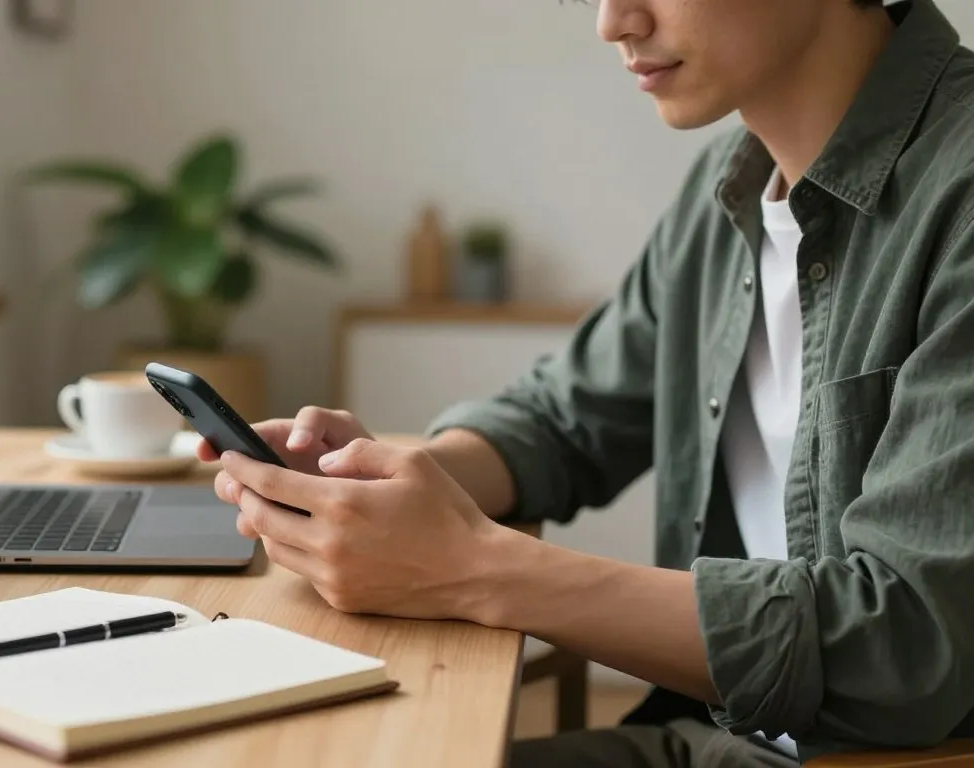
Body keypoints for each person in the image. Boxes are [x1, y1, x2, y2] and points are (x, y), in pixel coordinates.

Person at [198, 0, 974, 765]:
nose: (614, 22)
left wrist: (468, 569)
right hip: (716, 737)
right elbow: (567, 416)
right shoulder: (729, 188)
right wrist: (385, 484)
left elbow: (903, 647)